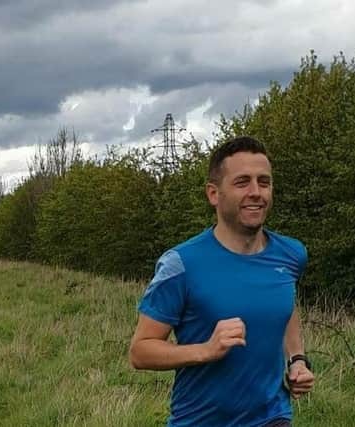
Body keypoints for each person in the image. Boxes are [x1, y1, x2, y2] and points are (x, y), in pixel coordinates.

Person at [129, 136, 315, 427]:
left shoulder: (291, 254)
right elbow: (140, 351)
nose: (256, 192)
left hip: (272, 417)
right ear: (214, 194)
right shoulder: (181, 264)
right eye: (242, 182)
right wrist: (205, 350)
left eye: (264, 182)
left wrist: (298, 360)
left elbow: (285, 304)